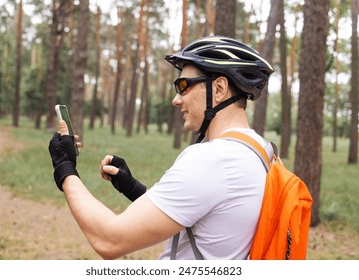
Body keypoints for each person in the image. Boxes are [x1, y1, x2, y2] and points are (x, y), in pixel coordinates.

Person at [48, 35, 274, 260]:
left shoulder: (215, 159)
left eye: (183, 85)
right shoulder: (262, 152)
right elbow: (211, 222)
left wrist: (64, 167)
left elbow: (109, 239)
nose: (176, 99)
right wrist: (135, 190)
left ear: (219, 88)